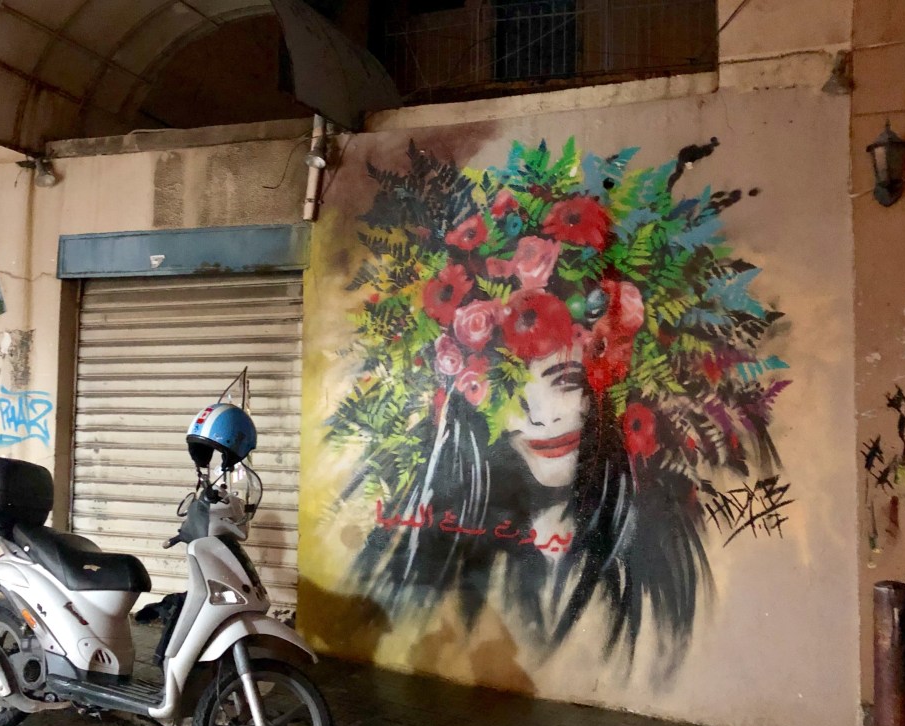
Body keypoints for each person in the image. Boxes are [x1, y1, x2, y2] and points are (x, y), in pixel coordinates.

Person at [328, 138, 784, 676]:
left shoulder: (665, 548)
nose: (541, 417)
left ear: (609, 378)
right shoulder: (431, 550)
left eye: (565, 380)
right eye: (510, 393)